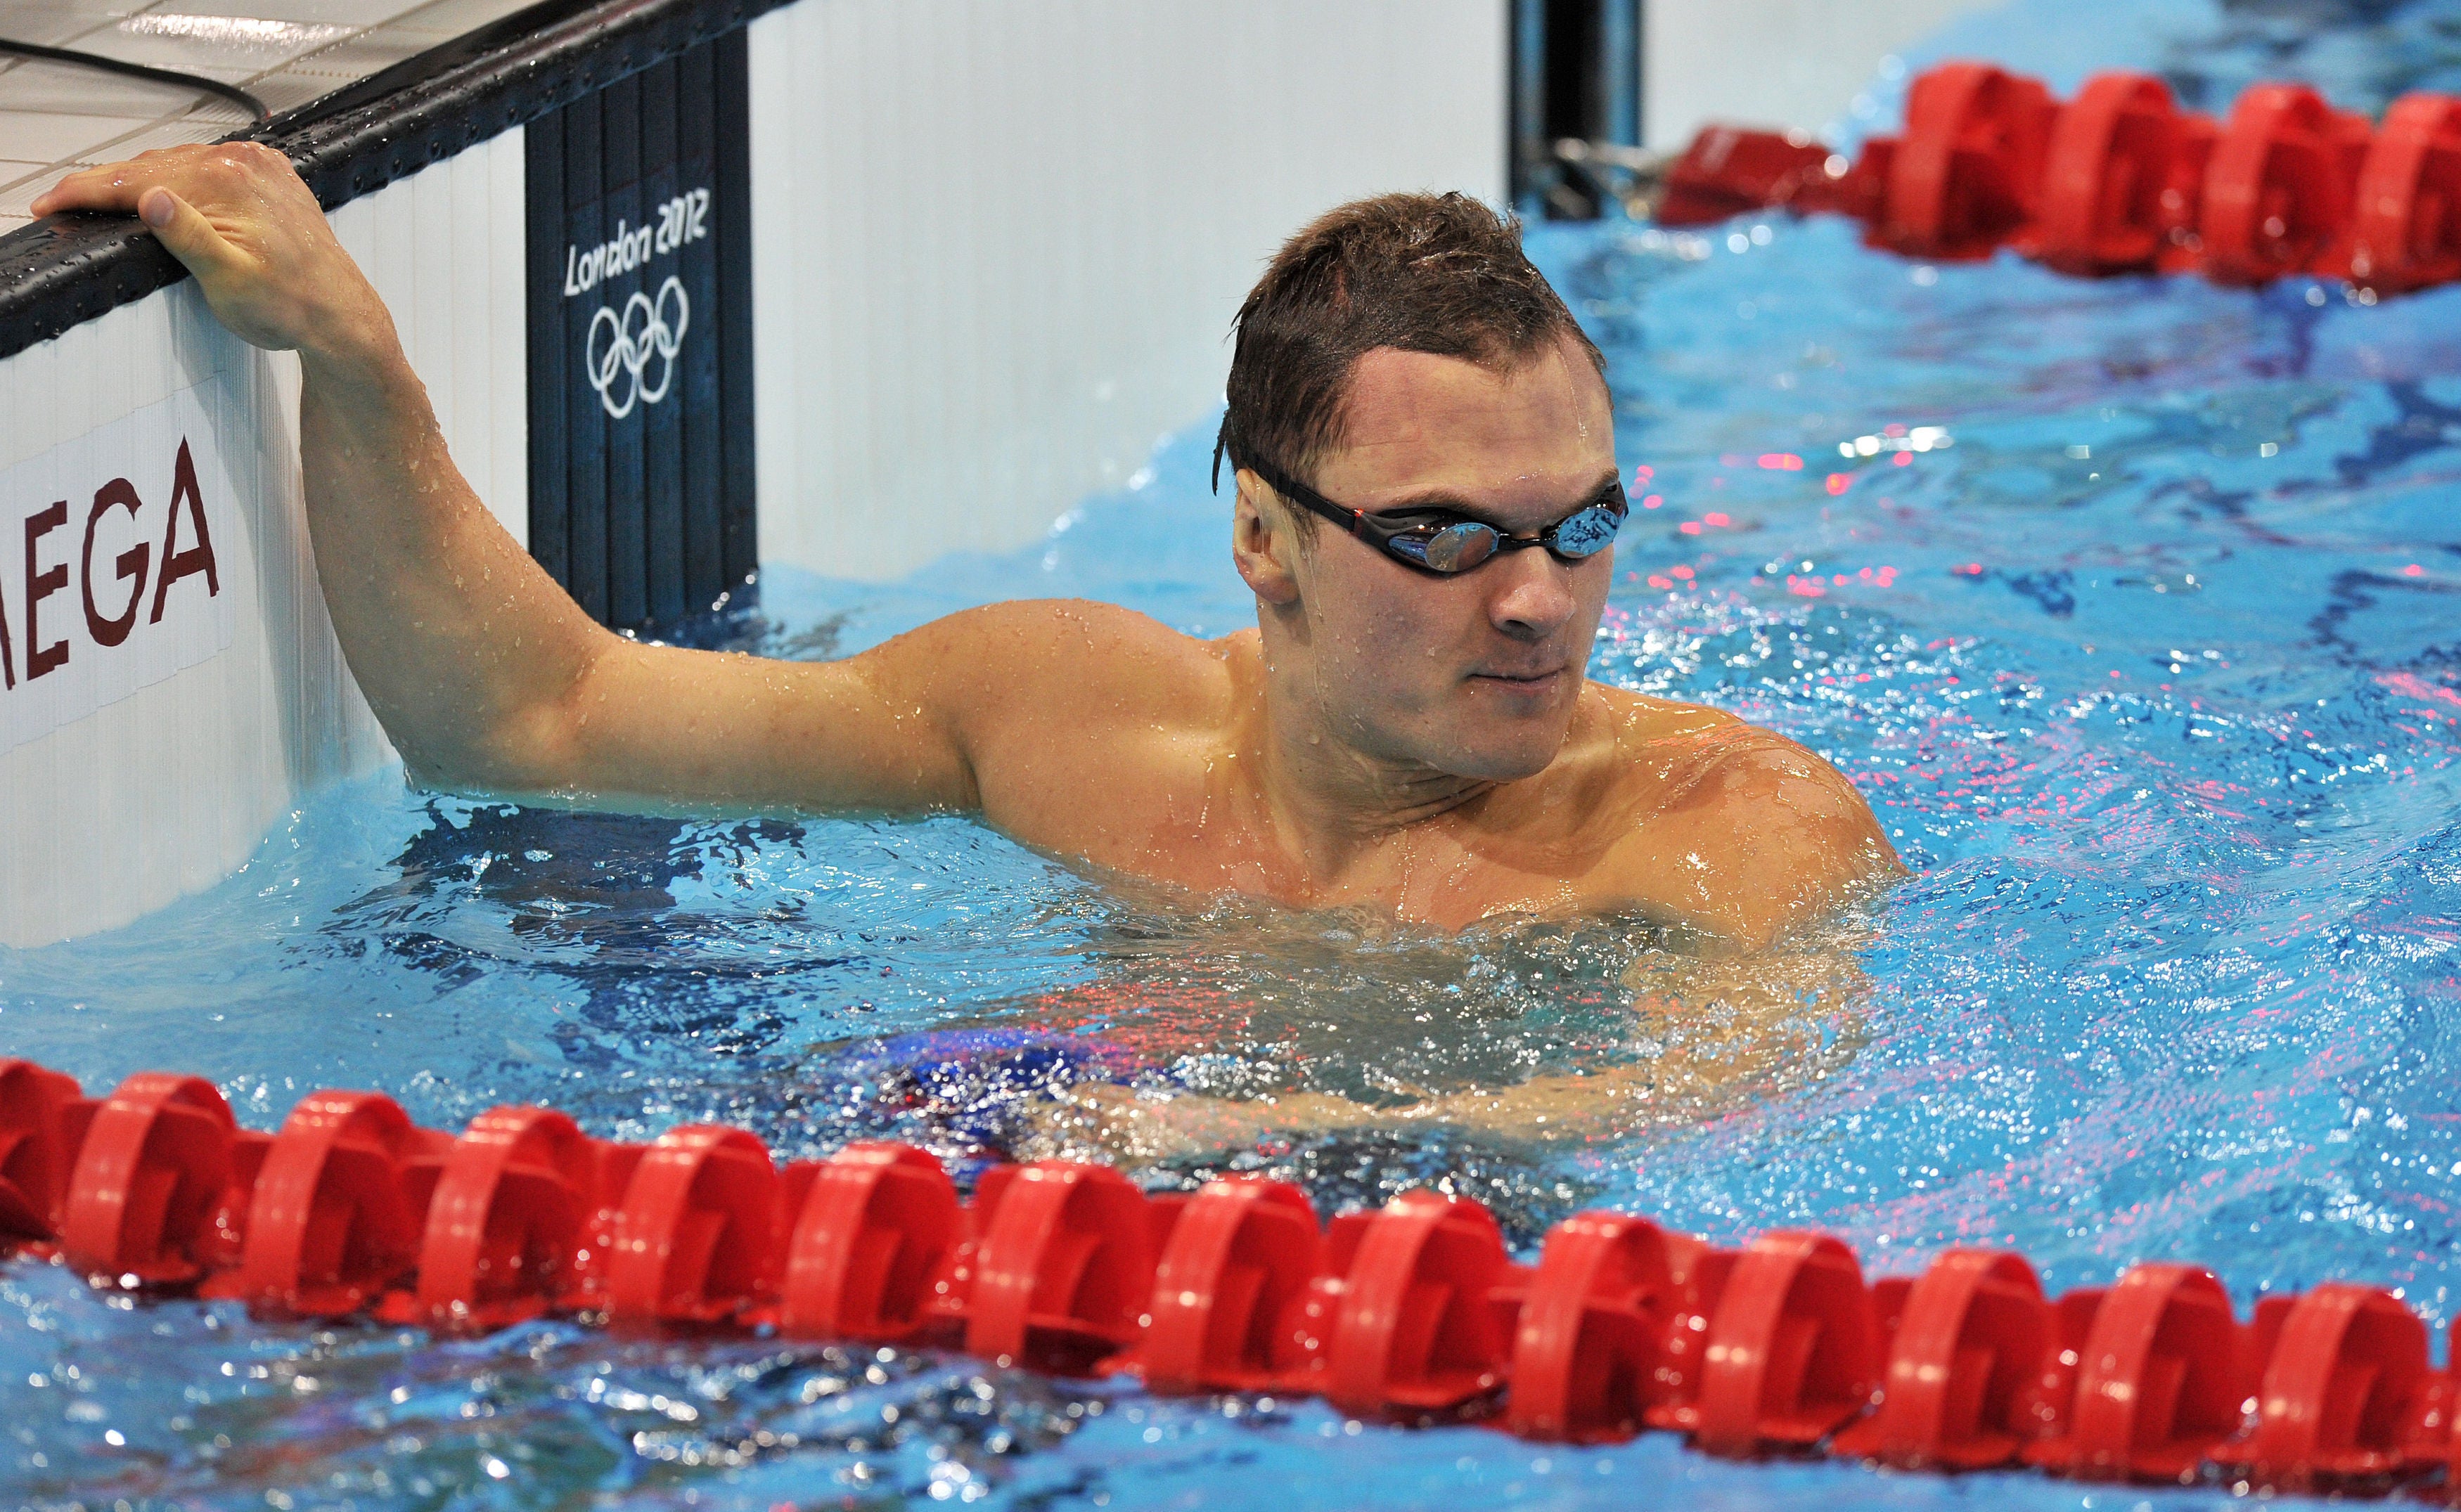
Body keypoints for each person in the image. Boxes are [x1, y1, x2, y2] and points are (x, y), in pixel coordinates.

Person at [33, 146, 1901, 1146]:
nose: (1535, 597)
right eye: (1443, 536)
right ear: (1260, 538)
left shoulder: (1717, 828)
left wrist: (1290, 1128)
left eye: (1581, 524)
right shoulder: (1065, 721)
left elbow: (1728, 1084)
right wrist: (355, 364)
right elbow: (532, 712)